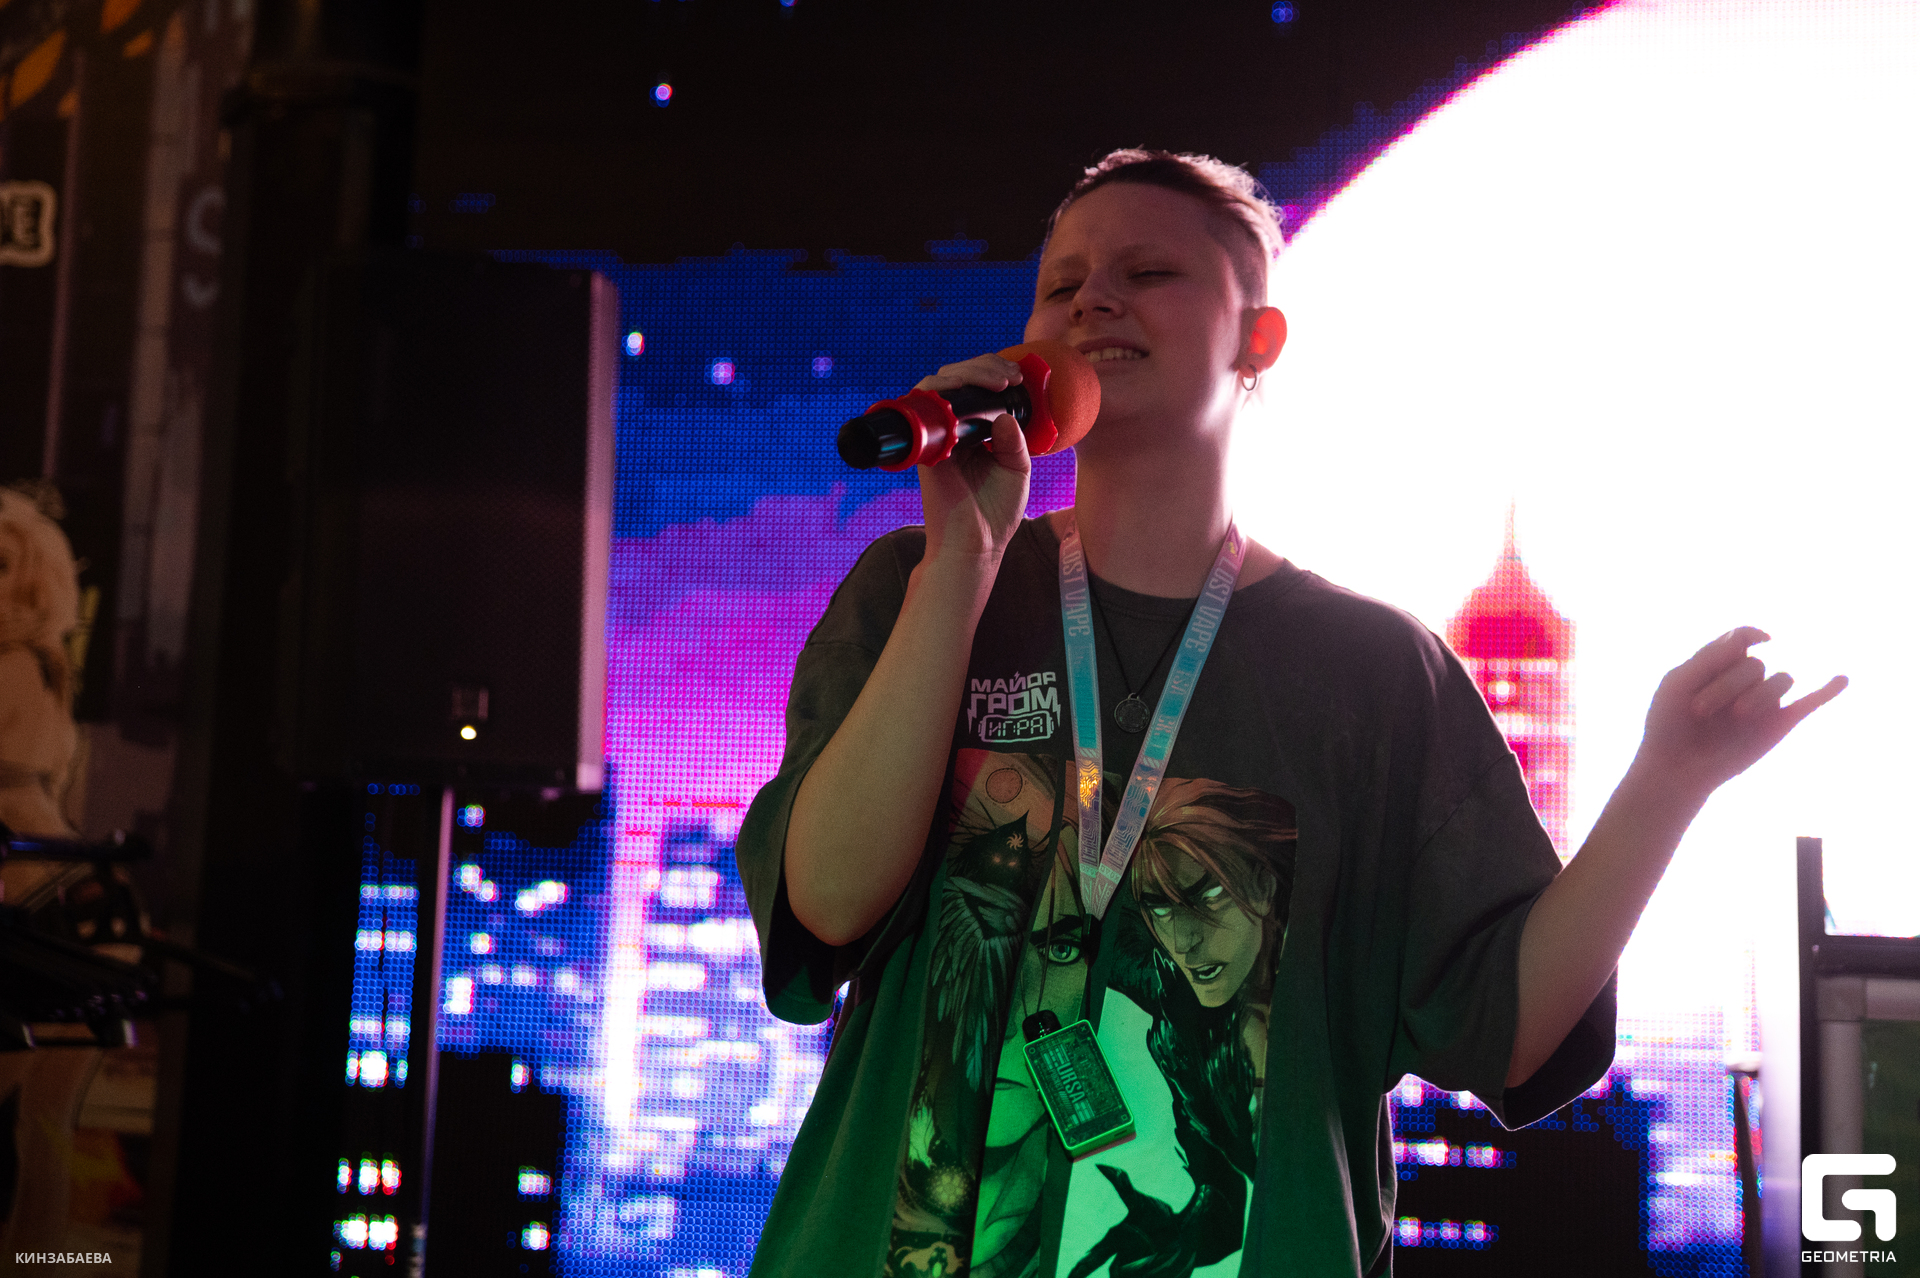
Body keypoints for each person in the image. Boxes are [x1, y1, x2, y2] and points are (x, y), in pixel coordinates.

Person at [735, 149, 1844, 1277]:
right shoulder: (917, 587)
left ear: (1257, 340)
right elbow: (826, 906)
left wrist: (1669, 781)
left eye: (1147, 272)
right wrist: (963, 561)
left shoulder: (1375, 672)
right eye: (1062, 283)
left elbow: (1502, 1027)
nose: (1093, 299)